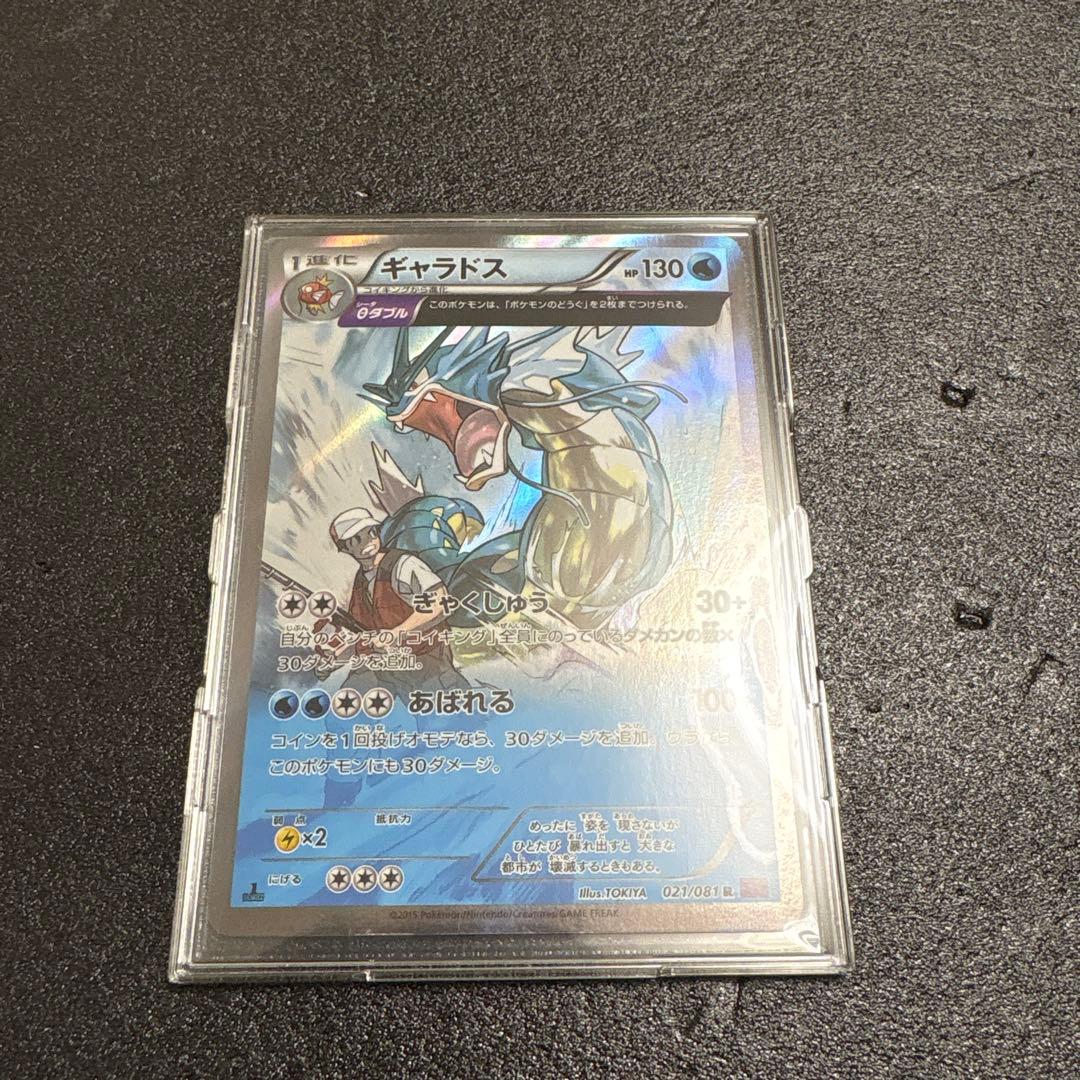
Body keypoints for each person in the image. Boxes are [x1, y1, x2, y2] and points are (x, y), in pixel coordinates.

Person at [323, 507, 469, 697]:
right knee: (346, 705)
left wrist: (395, 634)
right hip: (383, 667)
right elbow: (362, 634)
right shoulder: (360, 582)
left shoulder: (404, 564)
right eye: (357, 539)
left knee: (451, 709)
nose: (368, 540)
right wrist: (334, 660)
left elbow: (440, 602)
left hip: (426, 662)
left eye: (371, 532)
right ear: (345, 548)